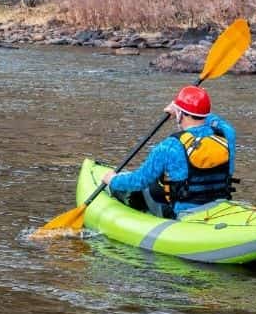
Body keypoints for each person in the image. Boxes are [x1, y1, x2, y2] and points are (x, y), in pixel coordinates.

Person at [101, 85, 236, 218]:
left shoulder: (170, 146)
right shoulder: (226, 134)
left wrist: (112, 180)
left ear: (180, 114)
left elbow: (139, 180)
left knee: (149, 187)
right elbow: (213, 119)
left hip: (186, 214)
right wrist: (186, 108)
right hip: (221, 206)